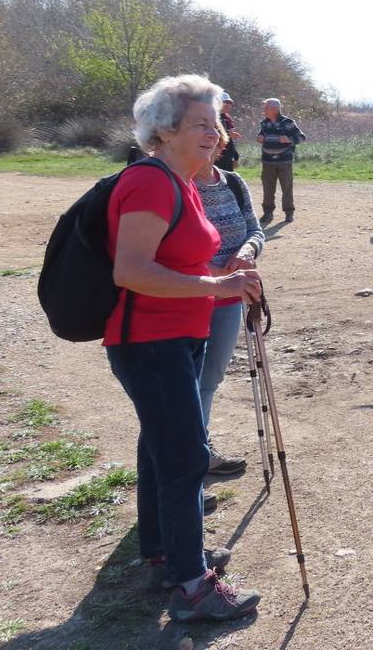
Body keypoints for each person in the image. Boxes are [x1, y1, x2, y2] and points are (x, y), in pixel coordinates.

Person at [105, 74, 262, 621]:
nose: (214, 135)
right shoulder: (151, 182)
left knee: (161, 449)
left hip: (174, 336)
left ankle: (166, 554)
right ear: (165, 129)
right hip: (150, 340)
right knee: (186, 457)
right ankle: (193, 587)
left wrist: (225, 272)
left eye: (216, 125)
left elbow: (181, 259)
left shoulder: (185, 181)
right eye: (200, 124)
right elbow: (132, 270)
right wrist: (216, 287)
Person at [194, 130, 266, 477]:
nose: (209, 147)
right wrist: (214, 275)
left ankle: (200, 450)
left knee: (210, 377)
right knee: (186, 381)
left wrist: (247, 251)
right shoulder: (179, 185)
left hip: (229, 299)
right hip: (190, 295)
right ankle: (190, 459)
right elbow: (168, 249)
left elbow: (255, 229)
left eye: (214, 141)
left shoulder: (234, 183)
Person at [257, 97, 304, 224]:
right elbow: (261, 135)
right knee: (268, 188)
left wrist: (289, 140)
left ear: (274, 109)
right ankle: (268, 214)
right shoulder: (264, 123)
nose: (264, 110)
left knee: (287, 188)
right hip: (267, 162)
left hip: (284, 161)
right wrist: (259, 137)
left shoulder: (288, 122)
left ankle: (289, 213)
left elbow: (301, 137)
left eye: (266, 107)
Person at [214, 92, 242, 172]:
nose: (228, 105)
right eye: (226, 102)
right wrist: (227, 134)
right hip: (216, 156)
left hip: (228, 157)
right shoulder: (213, 117)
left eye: (229, 103)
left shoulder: (227, 118)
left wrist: (235, 156)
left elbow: (230, 141)